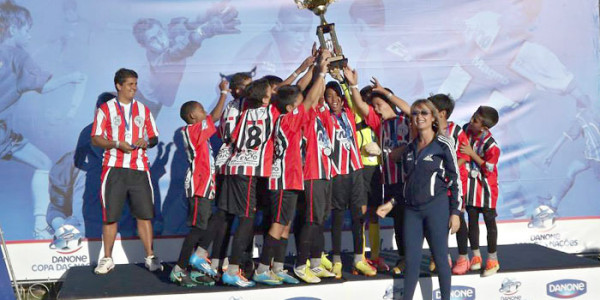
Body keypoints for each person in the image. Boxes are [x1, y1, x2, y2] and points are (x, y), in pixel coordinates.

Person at [0, 1, 85, 239]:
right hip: (2, 133)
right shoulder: (18, 54)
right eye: (27, 28)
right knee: (44, 165)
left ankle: (40, 228)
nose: (30, 33)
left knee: (43, 163)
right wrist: (72, 78)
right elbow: (44, 86)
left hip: (6, 135)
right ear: (13, 29)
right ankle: (40, 229)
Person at [378, 99, 461, 300]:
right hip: (412, 212)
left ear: (433, 117)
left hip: (437, 209)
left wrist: (456, 212)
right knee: (412, 261)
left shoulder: (443, 144)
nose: (419, 116)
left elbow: (456, 179)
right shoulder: (409, 148)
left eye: (424, 112)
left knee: (441, 259)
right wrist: (391, 204)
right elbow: (408, 184)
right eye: (415, 113)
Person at [254, 63, 324, 285]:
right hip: (283, 178)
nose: (302, 104)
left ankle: (278, 267)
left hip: (292, 178)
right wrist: (320, 72)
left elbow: (304, 93)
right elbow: (310, 98)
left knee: (285, 225)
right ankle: (262, 268)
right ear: (289, 107)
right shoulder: (286, 119)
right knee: (277, 224)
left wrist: (314, 68)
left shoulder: (286, 113)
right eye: (297, 103)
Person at [91, 68, 161, 275]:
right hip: (114, 168)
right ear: (118, 86)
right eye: (130, 84)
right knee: (110, 217)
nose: (134, 88)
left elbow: (154, 137)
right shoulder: (105, 109)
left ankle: (150, 256)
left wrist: (146, 141)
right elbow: (95, 138)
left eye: (136, 84)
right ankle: (107, 258)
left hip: (139, 169)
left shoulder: (143, 109)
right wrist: (116, 144)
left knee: (144, 215)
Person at [343, 67, 410, 275]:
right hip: (389, 182)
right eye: (375, 106)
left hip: (409, 181)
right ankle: (403, 259)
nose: (377, 109)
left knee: (413, 222)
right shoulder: (379, 124)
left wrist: (387, 94)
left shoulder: (408, 121)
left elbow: (410, 110)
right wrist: (353, 85)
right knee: (398, 223)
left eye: (380, 105)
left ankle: (434, 256)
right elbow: (361, 106)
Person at [215, 78, 278, 287]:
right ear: (265, 97)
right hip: (249, 171)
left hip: (235, 166)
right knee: (246, 218)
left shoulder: (244, 112)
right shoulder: (272, 112)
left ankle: (229, 265)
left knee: (237, 217)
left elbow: (232, 136)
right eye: (271, 91)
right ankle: (232, 269)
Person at [132, 0, 240, 117]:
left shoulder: (168, 33)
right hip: (151, 102)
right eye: (153, 39)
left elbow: (188, 24)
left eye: (160, 33)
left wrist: (210, 11)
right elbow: (178, 51)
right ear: (144, 45)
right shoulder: (158, 62)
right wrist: (205, 31)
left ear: (163, 29)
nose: (161, 41)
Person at [169, 97, 227, 287]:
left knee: (214, 220)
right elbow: (216, 116)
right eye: (202, 110)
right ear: (193, 116)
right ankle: (179, 269)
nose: (205, 113)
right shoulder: (193, 130)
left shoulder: (199, 133)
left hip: (206, 185)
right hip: (198, 185)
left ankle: (195, 265)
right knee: (197, 229)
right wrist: (224, 94)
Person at [322, 81, 375, 278]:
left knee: (358, 218)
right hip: (337, 173)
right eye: (329, 96)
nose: (334, 100)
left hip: (356, 171)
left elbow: (354, 98)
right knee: (337, 218)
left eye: (337, 96)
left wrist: (345, 79)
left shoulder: (350, 114)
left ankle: (358, 259)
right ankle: (336, 259)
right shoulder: (324, 116)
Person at [427, 94, 471, 275]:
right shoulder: (428, 130)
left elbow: (464, 156)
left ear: (442, 113)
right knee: (438, 221)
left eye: (431, 110)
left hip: (456, 182)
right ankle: (441, 255)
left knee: (457, 217)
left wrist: (449, 168)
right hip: (436, 184)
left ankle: (463, 256)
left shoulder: (457, 131)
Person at [460, 106, 501, 277]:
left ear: (485, 128)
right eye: (472, 117)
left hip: (486, 188)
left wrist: (471, 153)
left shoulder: (492, 146)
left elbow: (489, 169)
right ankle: (475, 255)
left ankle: (492, 259)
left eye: (475, 121)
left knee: (490, 222)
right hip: (470, 185)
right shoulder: (465, 130)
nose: (471, 121)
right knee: (472, 220)